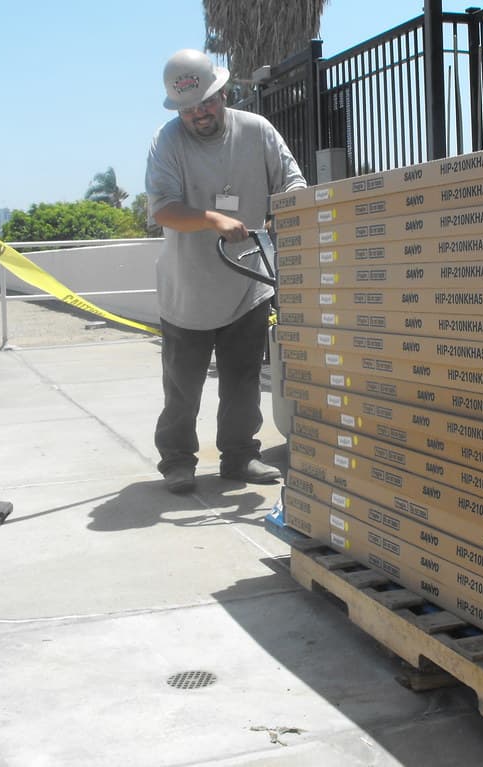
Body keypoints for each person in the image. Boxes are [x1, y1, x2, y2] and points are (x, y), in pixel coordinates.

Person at [146, 48, 307, 494]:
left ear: (223, 93)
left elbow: (293, 182)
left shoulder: (257, 131)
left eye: (206, 103)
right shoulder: (167, 142)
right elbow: (164, 209)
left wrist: (283, 212)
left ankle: (239, 456)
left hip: (246, 283)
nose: (198, 113)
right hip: (188, 289)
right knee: (183, 388)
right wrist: (213, 219)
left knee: (242, 380)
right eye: (188, 108)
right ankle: (177, 460)